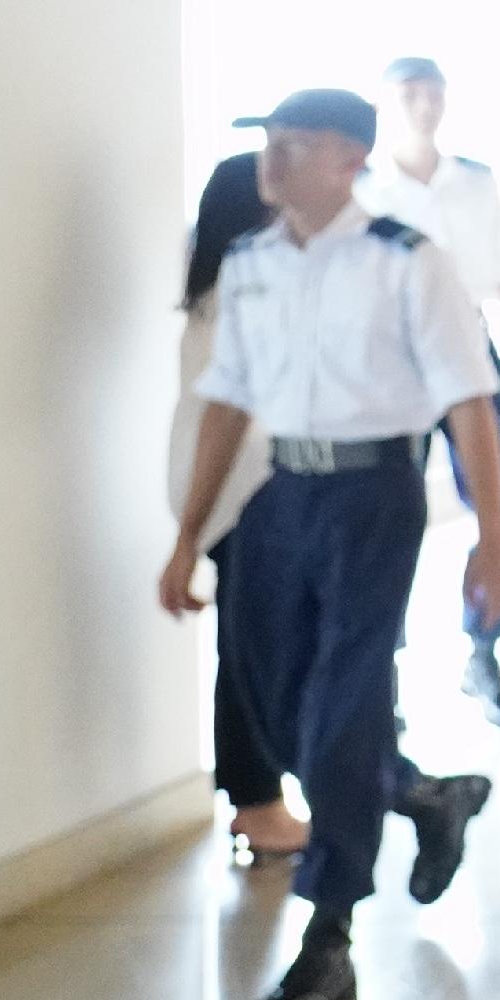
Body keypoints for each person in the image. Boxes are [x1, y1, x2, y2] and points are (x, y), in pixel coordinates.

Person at [159, 89, 500, 1000]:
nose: (270, 160)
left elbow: (468, 403)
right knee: (276, 707)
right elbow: (228, 401)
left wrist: (494, 537)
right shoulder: (252, 263)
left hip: (371, 500)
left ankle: (331, 933)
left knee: (342, 707)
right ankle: (428, 796)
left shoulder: (405, 261)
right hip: (279, 497)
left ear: (349, 157)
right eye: (265, 144)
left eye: (292, 144)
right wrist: (189, 535)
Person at [361, 56, 500, 731]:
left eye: (433, 93)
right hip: (390, 363)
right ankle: (387, 676)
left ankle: (483, 648)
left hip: (470, 351)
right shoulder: (368, 185)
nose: (424, 106)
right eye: (410, 95)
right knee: (390, 514)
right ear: (388, 102)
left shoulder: (474, 181)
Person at [175, 151, 295, 862]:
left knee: (248, 650)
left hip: (225, 484)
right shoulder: (243, 292)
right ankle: (257, 802)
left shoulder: (210, 288)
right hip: (240, 486)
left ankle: (259, 798)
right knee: (251, 656)